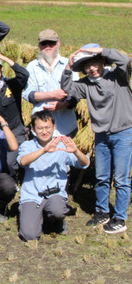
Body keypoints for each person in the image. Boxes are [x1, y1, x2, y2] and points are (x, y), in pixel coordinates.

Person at [61, 44, 132, 234]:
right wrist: (68, 66)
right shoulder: (86, 84)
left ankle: (120, 218)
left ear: (102, 62)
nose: (91, 69)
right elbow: (67, 86)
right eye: (87, 66)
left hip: (123, 133)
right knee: (101, 177)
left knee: (121, 178)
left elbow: (125, 61)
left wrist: (102, 51)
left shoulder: (118, 76)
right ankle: (102, 211)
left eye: (94, 63)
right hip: (101, 134)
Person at [18, 110, 89, 241]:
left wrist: (76, 152)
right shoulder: (27, 146)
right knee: (29, 236)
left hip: (54, 194)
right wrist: (44, 150)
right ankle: (37, 216)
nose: (44, 131)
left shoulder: (62, 146)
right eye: (40, 128)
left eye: (47, 128)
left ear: (54, 127)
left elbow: (84, 163)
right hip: (33, 195)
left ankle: (56, 221)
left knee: (58, 210)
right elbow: (23, 161)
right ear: (33, 129)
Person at [23, 29, 79, 137]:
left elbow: (77, 93)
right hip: (40, 130)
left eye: (52, 43)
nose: (48, 46)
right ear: (39, 46)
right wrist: (53, 95)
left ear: (58, 44)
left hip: (65, 128)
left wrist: (62, 105)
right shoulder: (32, 67)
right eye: (44, 43)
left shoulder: (69, 64)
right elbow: (29, 95)